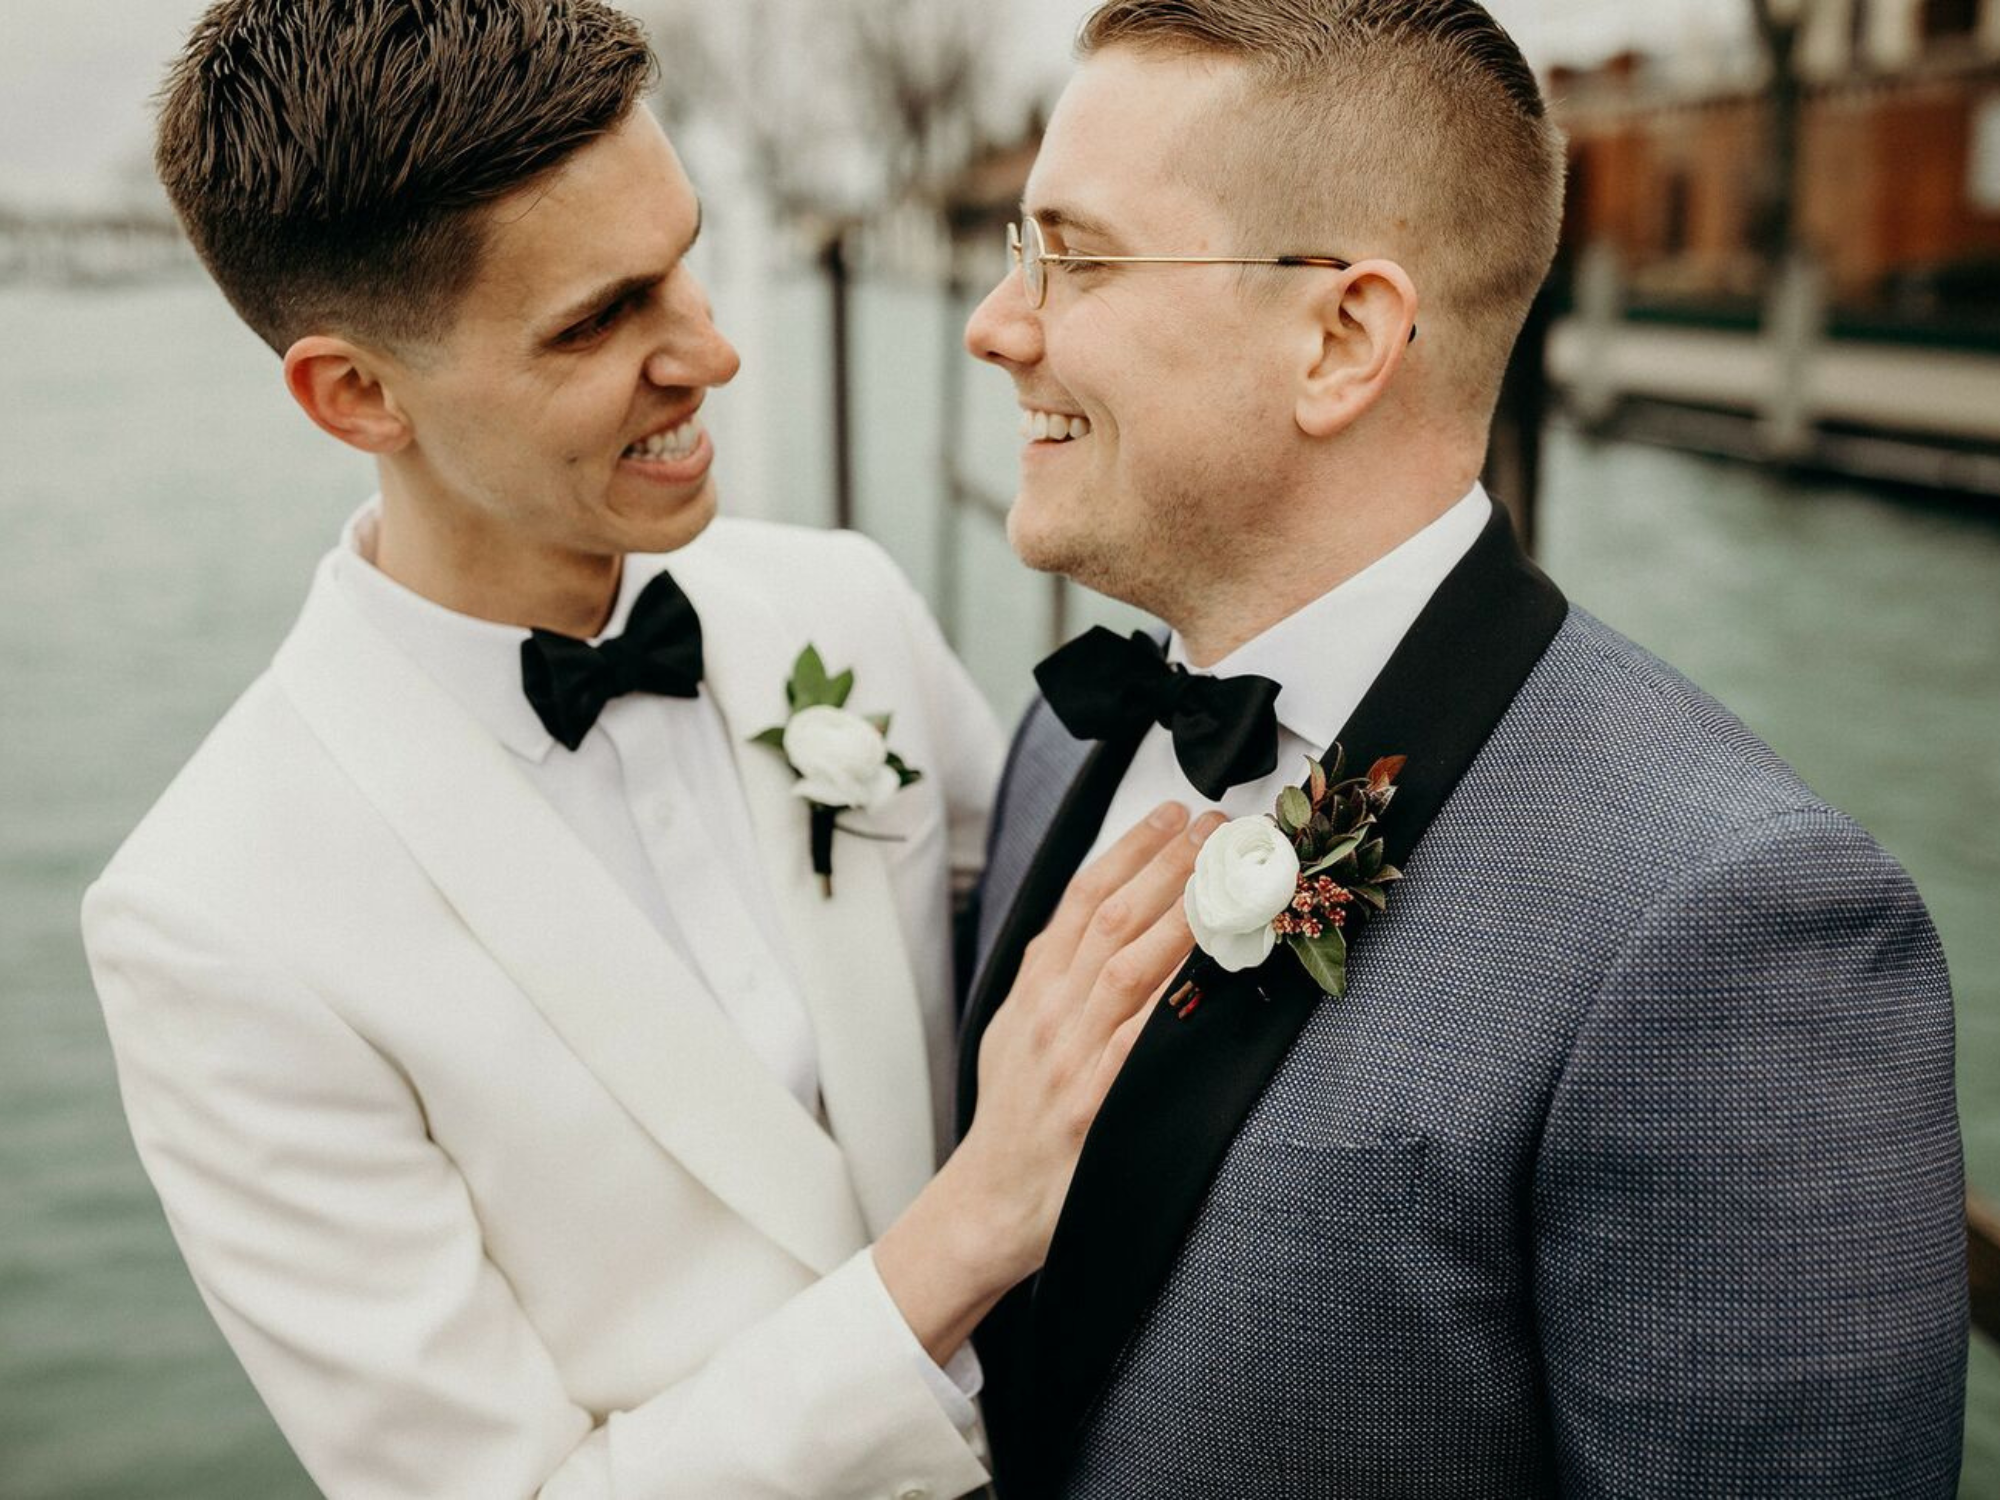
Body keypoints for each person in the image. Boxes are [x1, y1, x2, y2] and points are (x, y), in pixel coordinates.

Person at [80, 2, 1214, 1495]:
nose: (713, 351)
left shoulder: (845, 606)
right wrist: (965, 1234)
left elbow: (1075, 982)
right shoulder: (213, 920)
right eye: (599, 321)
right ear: (355, 393)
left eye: (682, 259)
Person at [956, 1, 1968, 1495]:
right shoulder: (1064, 730)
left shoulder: (1731, 919)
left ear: (1343, 338)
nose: (997, 320)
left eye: (1075, 255)